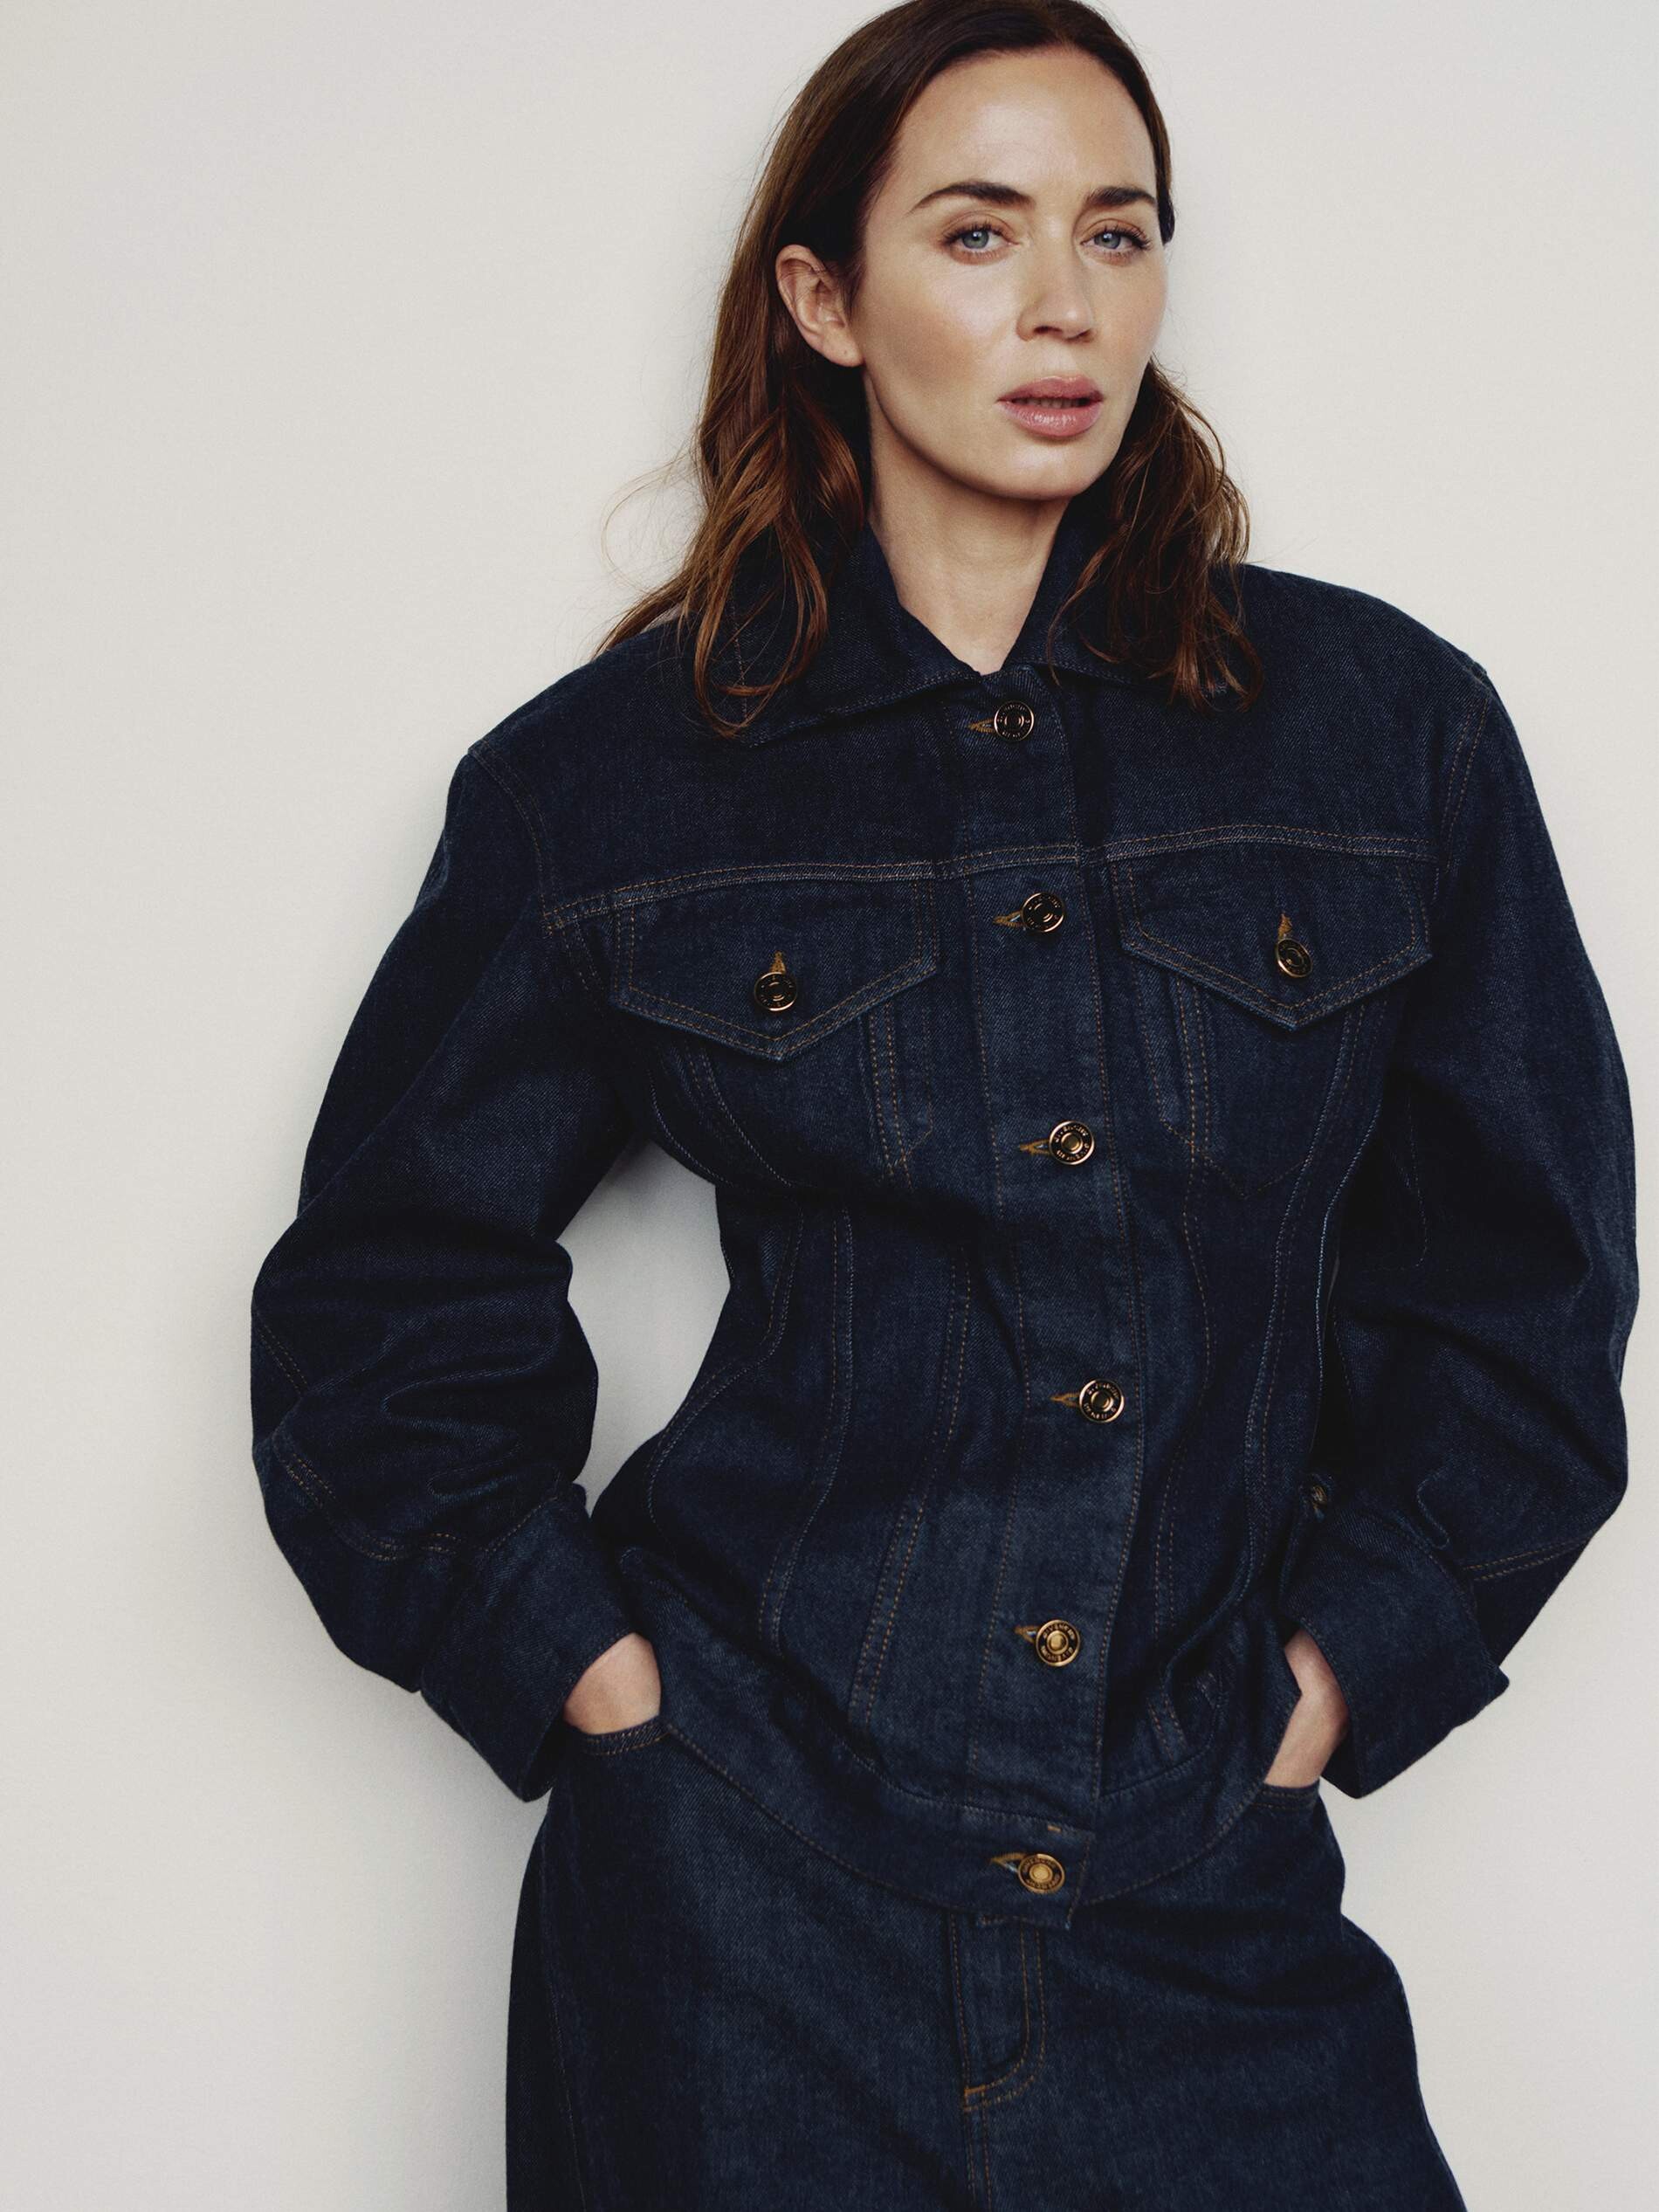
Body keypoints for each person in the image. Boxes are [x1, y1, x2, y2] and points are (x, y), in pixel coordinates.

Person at [246, 3, 1638, 2205]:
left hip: (1198, 1876)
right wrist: (592, 1681)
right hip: (739, 1906)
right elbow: (381, 1306)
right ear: (823, 298)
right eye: (976, 234)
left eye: (1116, 232)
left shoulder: (1383, 737)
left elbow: (1524, 1289)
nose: (1061, 303)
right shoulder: (607, 784)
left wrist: (1331, 1676)